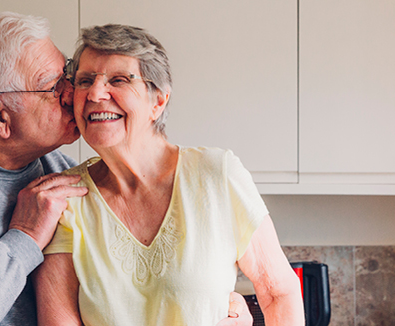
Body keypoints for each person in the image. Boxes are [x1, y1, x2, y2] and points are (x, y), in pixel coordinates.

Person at [0, 12, 252, 326]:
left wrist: (214, 303)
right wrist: (23, 237)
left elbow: (116, 293)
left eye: (70, 75)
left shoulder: (58, 168)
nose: (78, 93)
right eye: (54, 85)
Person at [34, 24, 305, 325]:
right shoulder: (65, 199)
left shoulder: (216, 175)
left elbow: (279, 292)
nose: (95, 93)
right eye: (85, 81)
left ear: (158, 101)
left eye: (119, 80)